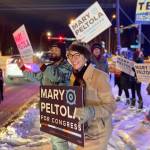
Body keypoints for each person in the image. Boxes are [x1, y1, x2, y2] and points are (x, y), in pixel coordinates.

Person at [17, 41, 72, 150]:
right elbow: (36, 77)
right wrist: (23, 68)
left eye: (56, 50)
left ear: (63, 52)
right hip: (49, 107)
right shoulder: (48, 66)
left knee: (59, 138)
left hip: (61, 107)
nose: (53, 52)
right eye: (52, 49)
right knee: (53, 137)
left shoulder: (67, 66)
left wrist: (41, 64)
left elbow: (55, 77)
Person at [66, 42, 116, 150]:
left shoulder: (100, 76)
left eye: (77, 55)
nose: (73, 59)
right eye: (70, 55)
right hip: (81, 129)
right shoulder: (72, 77)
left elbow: (111, 105)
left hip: (98, 131)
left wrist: (92, 111)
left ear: (85, 57)